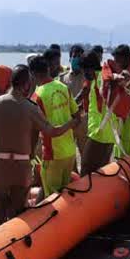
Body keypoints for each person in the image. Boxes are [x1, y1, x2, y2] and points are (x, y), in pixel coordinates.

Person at [0, 65, 77, 225]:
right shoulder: (30, 107)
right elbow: (52, 131)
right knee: (18, 218)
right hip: (21, 169)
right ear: (26, 84)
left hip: (0, 167)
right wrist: (72, 123)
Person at [29, 56, 80, 197]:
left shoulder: (37, 96)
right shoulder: (64, 87)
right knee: (64, 194)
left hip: (52, 155)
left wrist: (31, 152)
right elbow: (77, 117)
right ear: (48, 69)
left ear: (33, 74)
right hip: (69, 151)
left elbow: (34, 129)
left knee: (52, 197)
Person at [80, 49, 121, 175]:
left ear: (91, 68)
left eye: (85, 69)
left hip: (98, 132)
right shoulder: (101, 78)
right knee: (101, 170)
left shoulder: (100, 80)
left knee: (86, 167)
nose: (83, 73)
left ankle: (85, 195)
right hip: (108, 133)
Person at [60, 44, 88, 166]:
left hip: (83, 122)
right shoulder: (62, 78)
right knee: (69, 156)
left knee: (85, 154)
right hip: (68, 122)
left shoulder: (87, 77)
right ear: (70, 57)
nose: (76, 59)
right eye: (74, 56)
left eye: (79, 56)